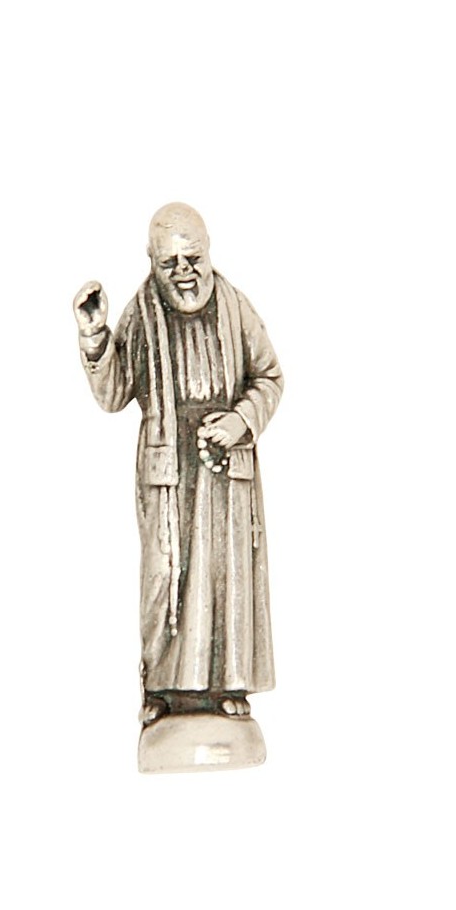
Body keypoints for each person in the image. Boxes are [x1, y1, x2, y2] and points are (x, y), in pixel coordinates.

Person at [73, 203, 284, 728]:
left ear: (209, 252)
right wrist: (96, 337)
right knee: (165, 577)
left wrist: (241, 420)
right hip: (169, 472)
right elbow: (114, 393)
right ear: (151, 262)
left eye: (193, 258)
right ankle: (162, 689)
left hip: (225, 470)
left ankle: (227, 684)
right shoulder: (142, 312)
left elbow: (270, 377)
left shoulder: (235, 306)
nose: (184, 272)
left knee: (226, 576)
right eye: (169, 263)